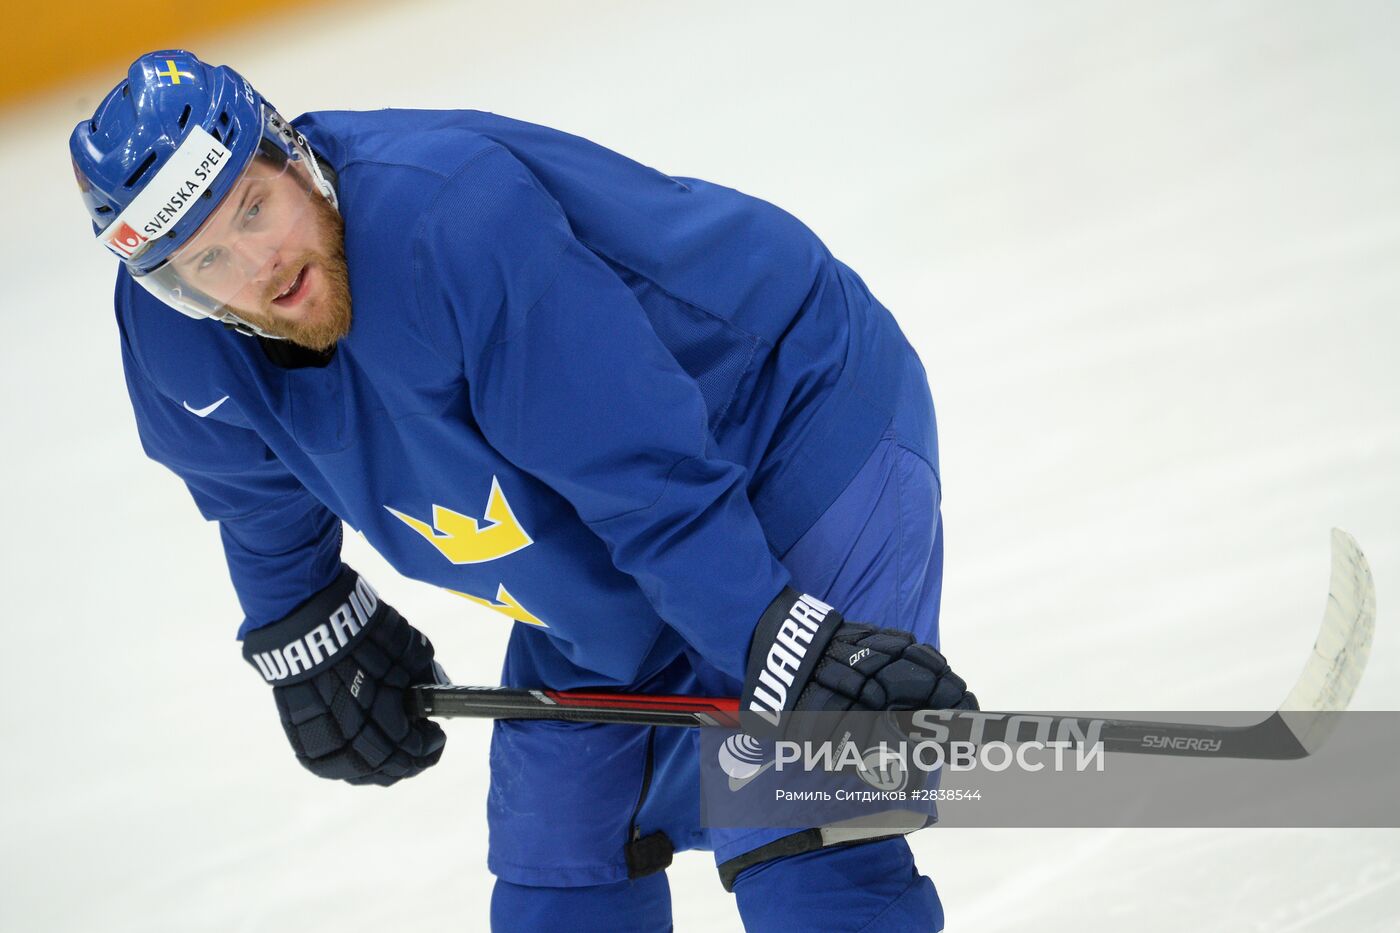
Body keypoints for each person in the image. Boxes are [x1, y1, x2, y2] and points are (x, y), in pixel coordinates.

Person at [70, 50, 977, 932]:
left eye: (254, 209)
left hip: (786, 419)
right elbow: (251, 491)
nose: (256, 266)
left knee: (800, 842)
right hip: (600, 538)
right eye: (207, 263)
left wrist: (772, 637)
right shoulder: (173, 343)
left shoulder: (449, 220)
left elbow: (633, 458)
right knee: (560, 874)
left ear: (290, 154)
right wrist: (306, 627)